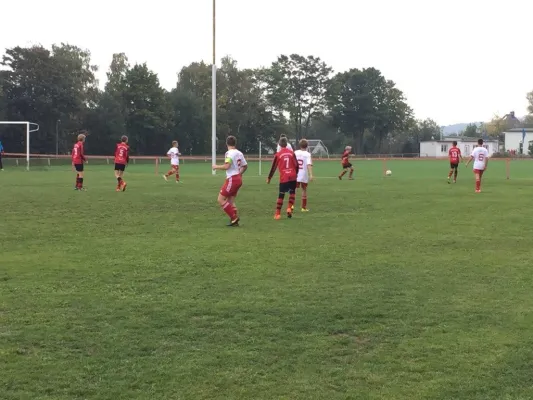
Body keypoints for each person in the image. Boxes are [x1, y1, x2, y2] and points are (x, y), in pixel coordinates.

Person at [212, 136, 248, 226]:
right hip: (238, 179)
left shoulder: (229, 153)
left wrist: (216, 166)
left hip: (232, 178)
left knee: (220, 199)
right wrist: (240, 173)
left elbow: (227, 166)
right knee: (230, 201)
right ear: (235, 143)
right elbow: (245, 166)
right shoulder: (239, 153)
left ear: (226, 143)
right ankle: (234, 222)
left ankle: (234, 218)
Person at [267, 137, 299, 220]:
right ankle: (289, 208)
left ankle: (277, 214)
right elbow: (296, 165)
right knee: (292, 193)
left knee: (281, 194)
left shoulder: (278, 154)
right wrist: (296, 174)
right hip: (293, 176)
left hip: (284, 177)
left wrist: (269, 177)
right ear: (287, 144)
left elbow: (273, 167)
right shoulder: (292, 153)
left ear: (279, 145)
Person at [294, 139, 314, 212]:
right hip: (303, 175)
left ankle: (291, 206)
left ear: (300, 145)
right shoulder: (308, 154)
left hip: (295, 174)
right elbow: (309, 164)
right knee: (304, 190)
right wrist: (311, 174)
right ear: (307, 146)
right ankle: (303, 207)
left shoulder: (295, 152)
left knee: (294, 190)